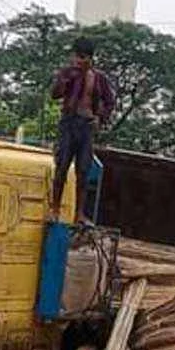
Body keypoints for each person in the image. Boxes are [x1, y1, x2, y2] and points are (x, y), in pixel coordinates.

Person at [49, 36, 115, 224]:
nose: (80, 61)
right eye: (77, 56)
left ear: (90, 58)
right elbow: (55, 94)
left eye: (83, 57)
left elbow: (110, 101)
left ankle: (79, 214)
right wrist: (62, 79)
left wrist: (99, 118)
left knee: (83, 171)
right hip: (69, 123)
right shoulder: (68, 73)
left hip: (86, 126)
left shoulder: (99, 78)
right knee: (61, 166)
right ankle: (55, 208)